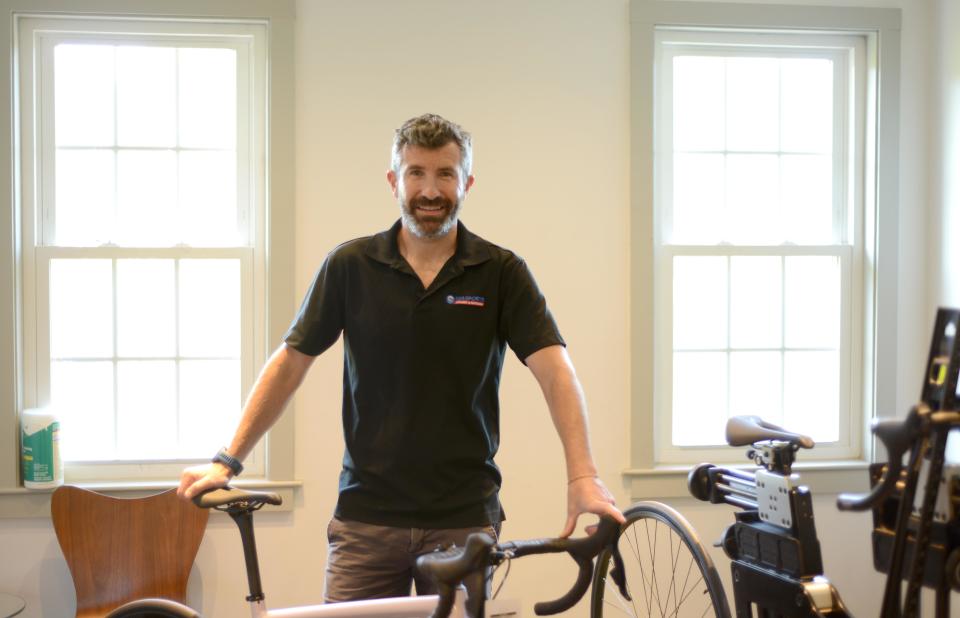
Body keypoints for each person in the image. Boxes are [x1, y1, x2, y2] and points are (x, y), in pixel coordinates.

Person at [178, 113, 623, 602]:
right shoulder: (351, 266)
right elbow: (290, 363)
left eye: (445, 174)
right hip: (366, 520)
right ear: (394, 181)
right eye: (416, 173)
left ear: (467, 182)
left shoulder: (500, 272)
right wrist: (228, 461)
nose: (430, 191)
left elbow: (555, 371)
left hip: (464, 521)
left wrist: (583, 475)